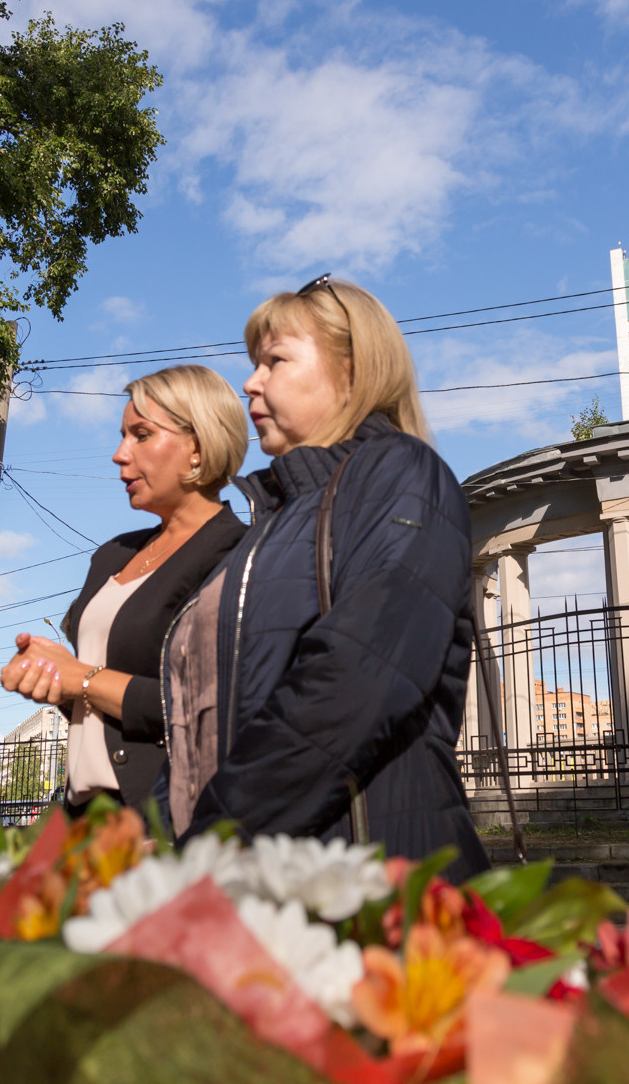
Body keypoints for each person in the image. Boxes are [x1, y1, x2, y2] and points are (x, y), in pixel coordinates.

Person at [161, 277, 489, 879]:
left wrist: (213, 844)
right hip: (256, 888)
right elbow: (197, 727)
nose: (250, 383)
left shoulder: (400, 473)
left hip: (372, 889)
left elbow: (356, 678)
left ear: (351, 370)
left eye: (275, 361)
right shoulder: (268, 524)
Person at [0, 366, 248, 809]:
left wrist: (82, 678)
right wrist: (51, 675)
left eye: (141, 435)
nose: (119, 454)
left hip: (165, 818)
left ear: (197, 446)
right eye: (122, 436)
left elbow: (210, 703)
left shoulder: (237, 555)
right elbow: (95, 702)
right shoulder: (113, 554)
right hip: (84, 814)